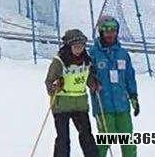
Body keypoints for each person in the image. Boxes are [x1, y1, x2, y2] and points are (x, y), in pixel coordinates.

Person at [89, 16, 140, 156]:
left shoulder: (123, 54)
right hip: (103, 105)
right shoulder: (93, 53)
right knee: (106, 138)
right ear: (101, 32)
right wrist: (90, 80)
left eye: (113, 31)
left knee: (127, 139)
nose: (110, 34)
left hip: (122, 104)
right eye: (107, 31)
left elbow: (129, 77)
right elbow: (84, 74)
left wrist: (133, 96)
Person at [46, 28, 101, 157]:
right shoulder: (59, 61)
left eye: (81, 46)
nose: (79, 49)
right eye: (75, 47)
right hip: (61, 105)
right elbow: (49, 82)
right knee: (63, 139)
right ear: (68, 46)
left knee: (86, 136)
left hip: (80, 104)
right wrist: (54, 87)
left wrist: (93, 83)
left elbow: (87, 77)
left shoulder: (86, 60)